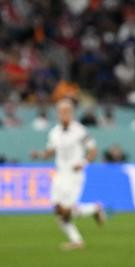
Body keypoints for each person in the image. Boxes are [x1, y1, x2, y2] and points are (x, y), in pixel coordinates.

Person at [30, 99, 105, 250]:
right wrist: (39, 154)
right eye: (61, 112)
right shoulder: (54, 132)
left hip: (74, 175)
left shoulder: (80, 130)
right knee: (58, 210)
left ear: (71, 113)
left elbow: (92, 150)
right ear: (58, 114)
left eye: (67, 112)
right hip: (60, 174)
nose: (64, 114)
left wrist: (83, 162)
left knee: (67, 212)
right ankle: (93, 210)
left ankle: (79, 236)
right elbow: (51, 151)